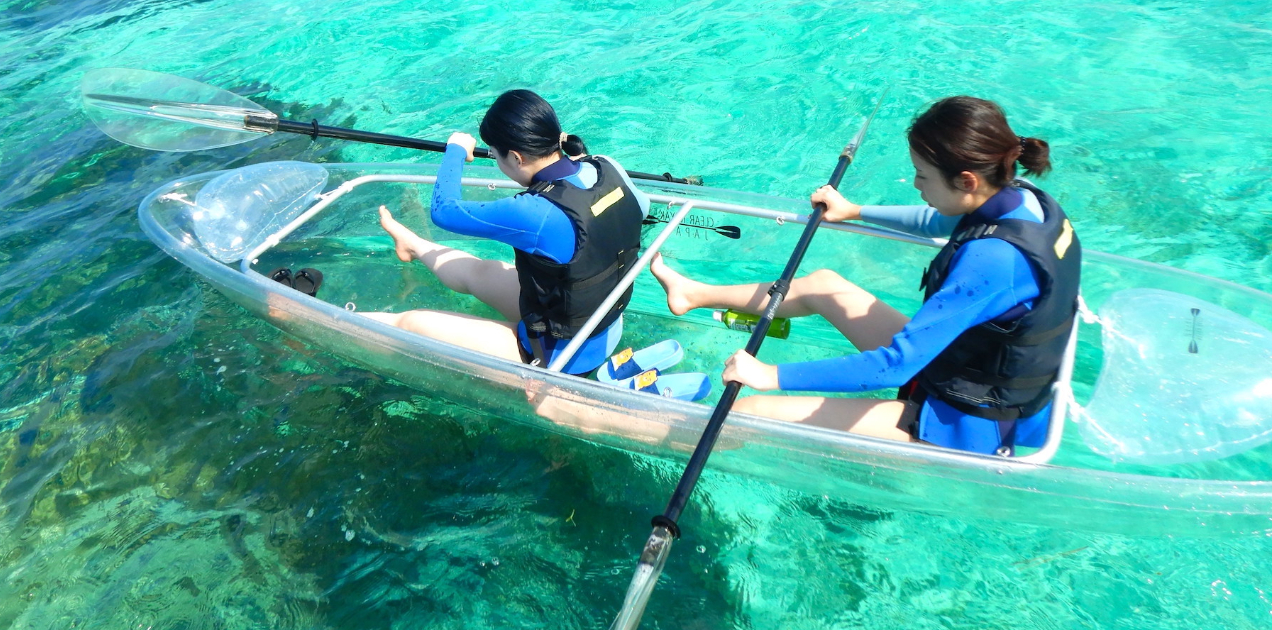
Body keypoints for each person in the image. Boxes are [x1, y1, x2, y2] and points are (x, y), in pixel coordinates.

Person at [650, 96, 1080, 456]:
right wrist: (854, 211)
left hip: (968, 419)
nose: (916, 185)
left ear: (967, 180)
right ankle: (692, 294)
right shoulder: (1022, 199)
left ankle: (642, 432)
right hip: (958, 367)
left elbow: (895, 367)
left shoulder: (994, 262)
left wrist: (769, 375)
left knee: (747, 413)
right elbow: (937, 220)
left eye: (922, 176)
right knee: (825, 285)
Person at [362, 90, 648, 374]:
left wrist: (456, 150)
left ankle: (336, 320)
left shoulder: (533, 212)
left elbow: (444, 211)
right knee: (482, 271)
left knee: (411, 323)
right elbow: (638, 209)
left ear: (515, 157)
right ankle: (412, 245)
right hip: (604, 323)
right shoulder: (607, 166)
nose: (498, 165)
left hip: (561, 354)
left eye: (496, 156)